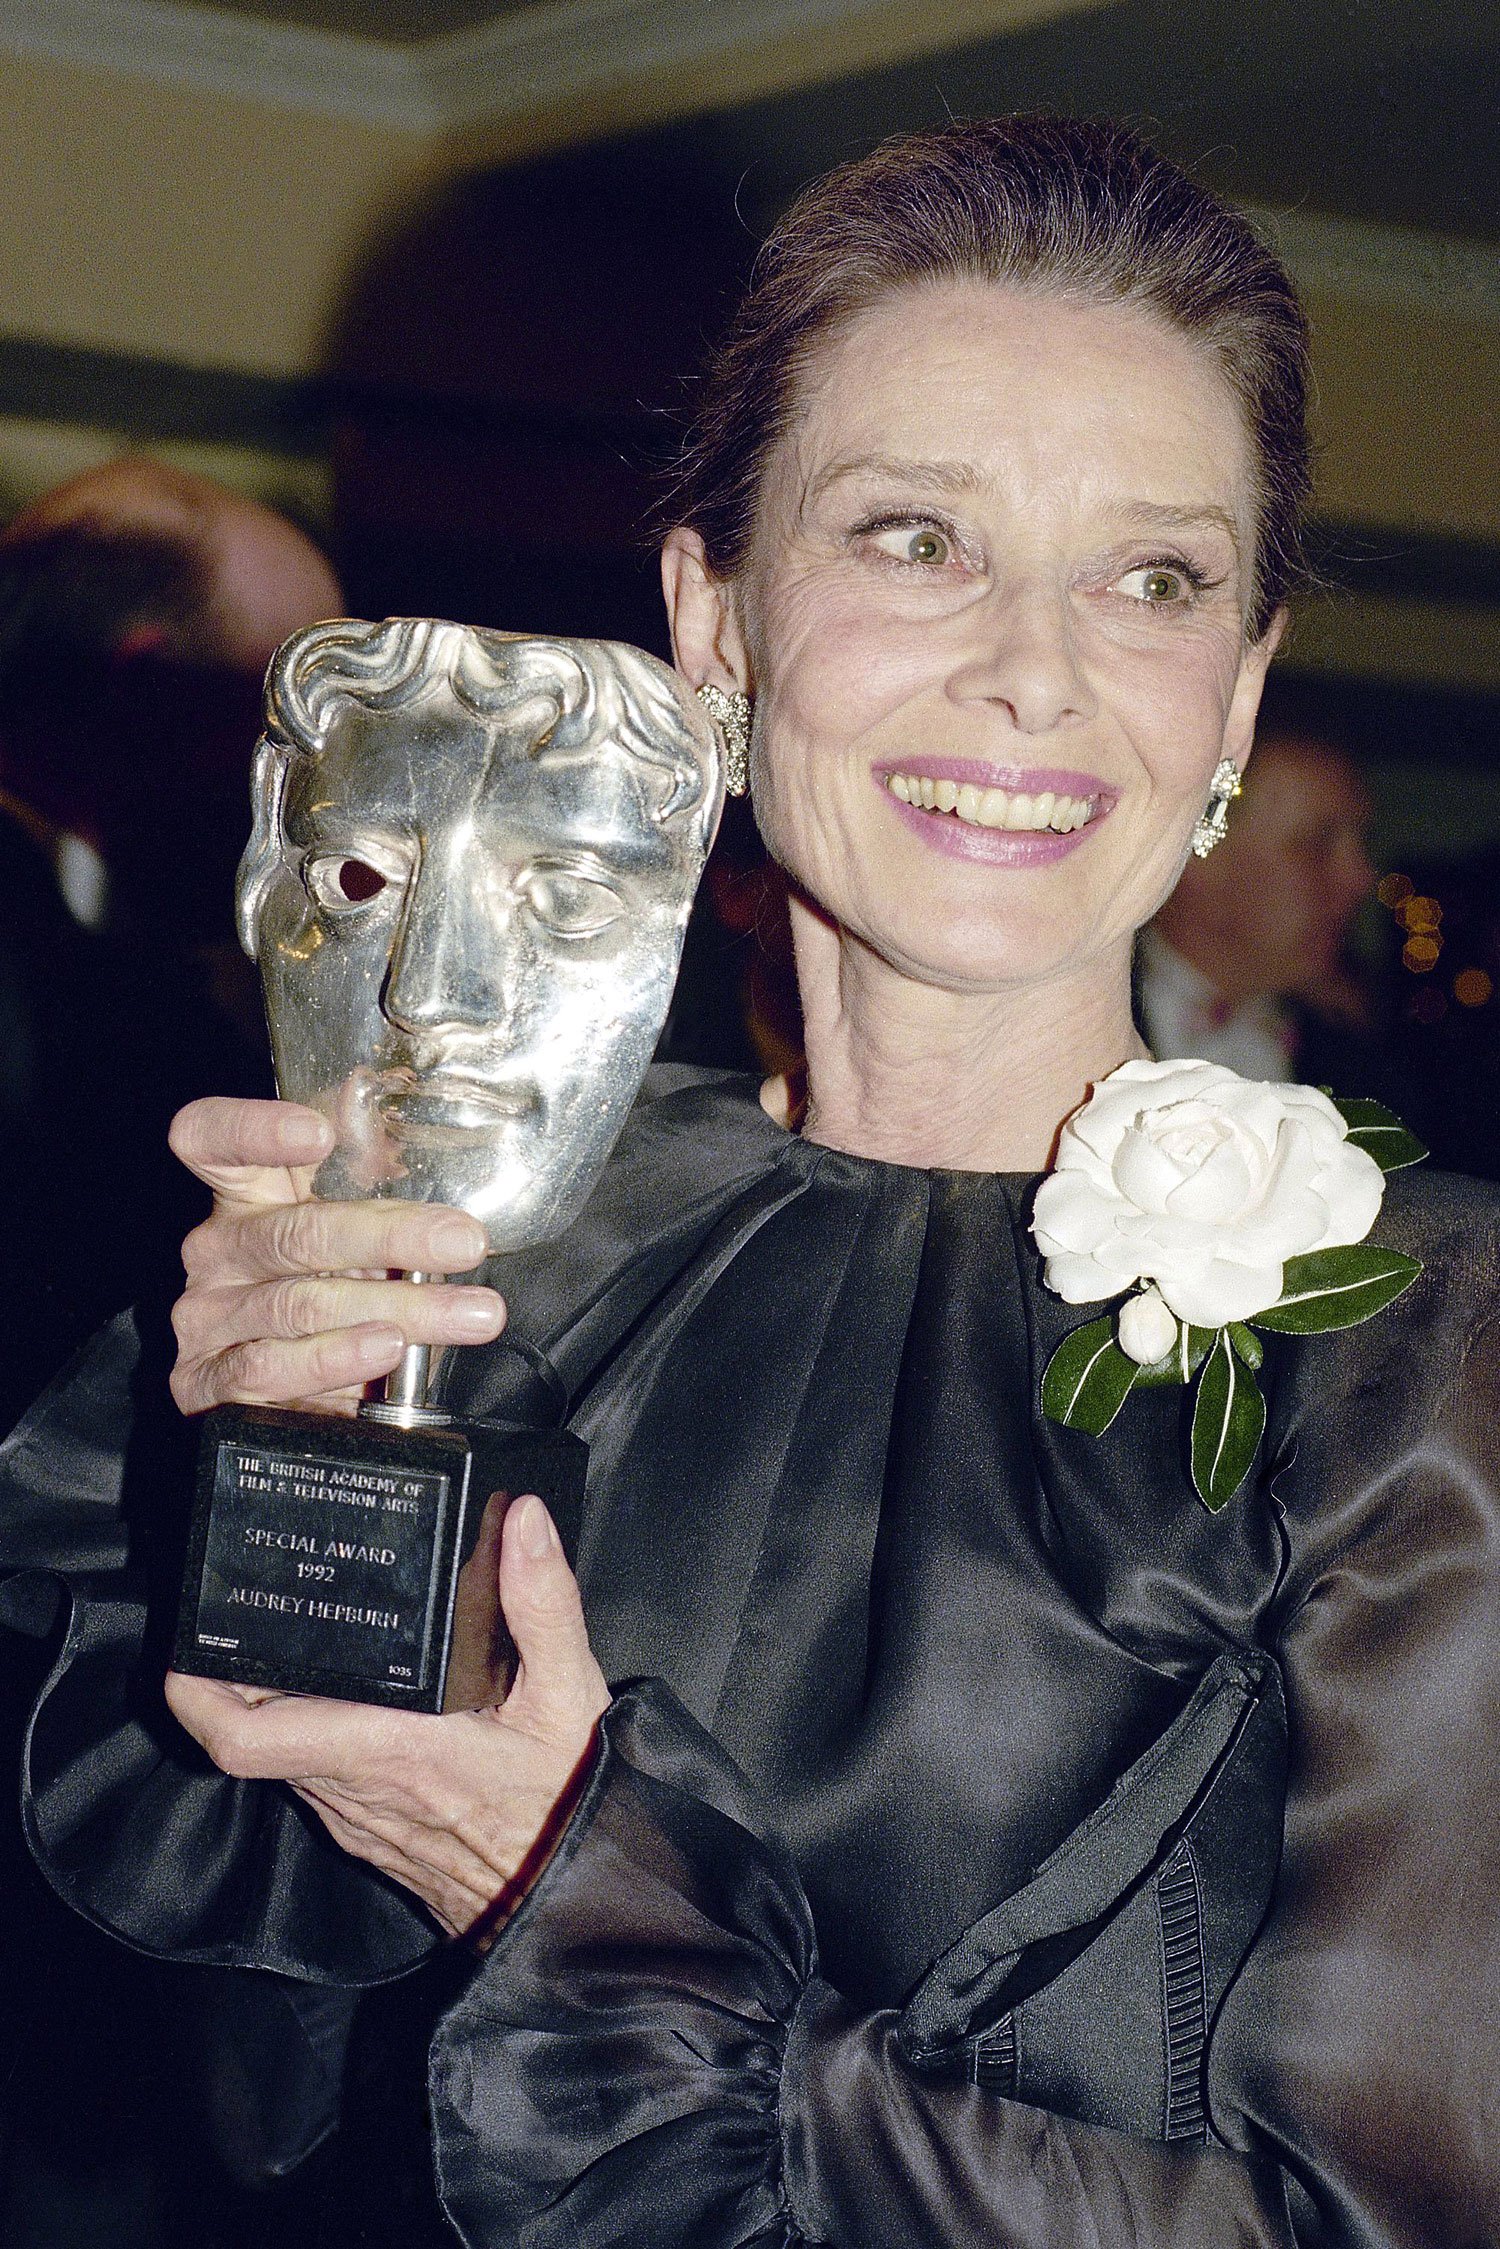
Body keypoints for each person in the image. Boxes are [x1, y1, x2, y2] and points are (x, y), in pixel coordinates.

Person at [6, 117, 1499, 2249]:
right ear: (711, 622)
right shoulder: (498, 1242)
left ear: (1240, 690)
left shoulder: (1428, 1345)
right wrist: (262, 1483)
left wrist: (566, 1889)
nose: (1038, 669)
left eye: (1155, 577)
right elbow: (229, 2084)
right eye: (916, 537)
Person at [1141, 688, 1378, 1080]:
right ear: (1197, 848)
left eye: (1361, 844)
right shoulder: (1068, 1022)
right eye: (1315, 844)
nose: (1360, 878)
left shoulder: (1361, 1063)